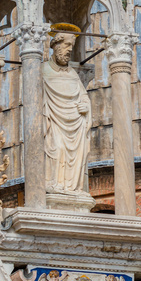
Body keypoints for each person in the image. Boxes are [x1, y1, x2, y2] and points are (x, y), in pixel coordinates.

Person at [42, 27, 91, 199]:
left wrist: (86, 107)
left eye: (72, 46)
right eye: (66, 45)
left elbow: (84, 97)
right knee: (57, 149)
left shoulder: (72, 73)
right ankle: (54, 185)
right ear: (55, 46)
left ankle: (73, 188)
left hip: (75, 124)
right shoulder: (42, 71)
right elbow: (34, 98)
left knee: (76, 154)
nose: (70, 49)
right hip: (54, 121)